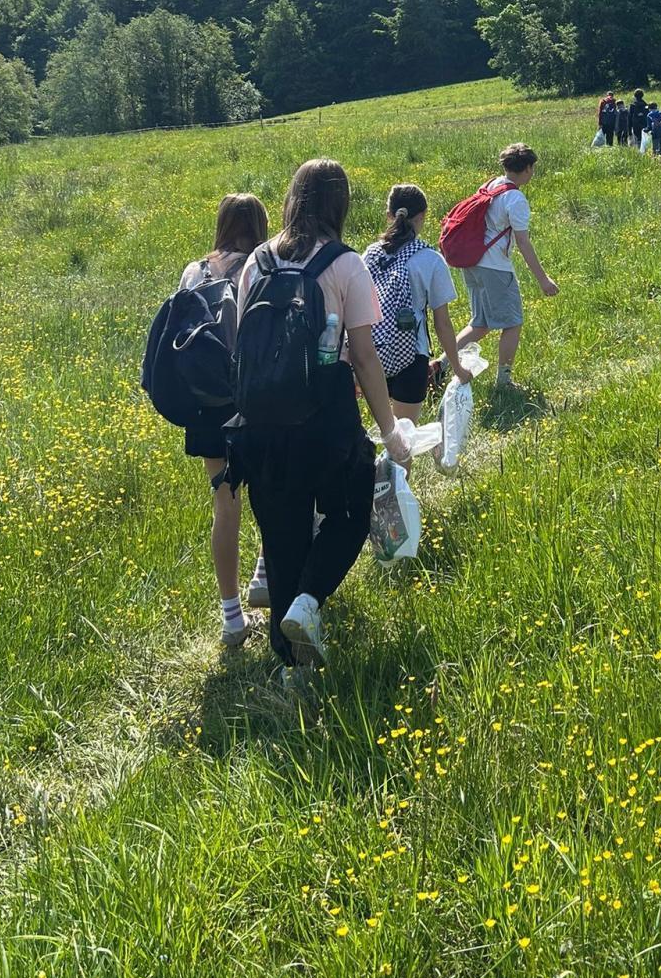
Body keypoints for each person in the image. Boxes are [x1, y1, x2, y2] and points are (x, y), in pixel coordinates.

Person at [236, 159, 410, 680]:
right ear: (340, 204)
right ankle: (308, 602)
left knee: (282, 537)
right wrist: (390, 431)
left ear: (292, 199)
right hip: (325, 419)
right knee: (351, 510)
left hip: (261, 422)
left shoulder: (257, 262)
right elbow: (365, 357)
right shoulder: (345, 263)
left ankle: (291, 670)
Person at [179, 193, 270, 648]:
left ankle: (231, 617)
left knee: (225, 502)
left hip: (205, 404)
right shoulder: (260, 267)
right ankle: (264, 572)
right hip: (252, 398)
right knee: (273, 488)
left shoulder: (194, 271)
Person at [363, 184, 471, 424]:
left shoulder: (370, 255)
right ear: (422, 216)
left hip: (370, 354)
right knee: (404, 436)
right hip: (410, 355)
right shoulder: (430, 259)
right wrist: (457, 368)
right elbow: (442, 324)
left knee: (380, 431)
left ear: (389, 215)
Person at [455, 144, 558, 390]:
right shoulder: (516, 198)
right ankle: (504, 381)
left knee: (480, 324)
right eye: (533, 168)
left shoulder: (492, 185)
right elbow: (523, 242)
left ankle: (439, 366)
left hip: (472, 263)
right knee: (513, 323)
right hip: (495, 267)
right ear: (528, 168)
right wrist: (543, 280)